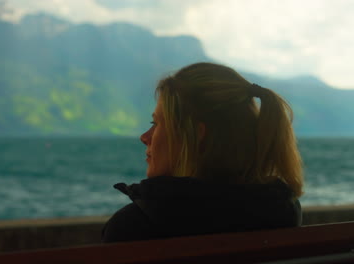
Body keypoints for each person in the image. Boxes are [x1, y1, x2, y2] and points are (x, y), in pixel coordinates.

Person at [101, 62, 304, 243]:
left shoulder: (134, 227)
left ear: (195, 134)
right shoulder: (284, 211)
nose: (145, 137)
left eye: (156, 123)